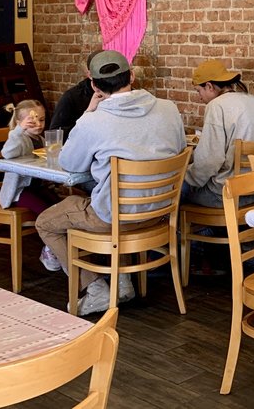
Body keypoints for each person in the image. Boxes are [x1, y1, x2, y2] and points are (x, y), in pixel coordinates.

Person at [35, 50, 186, 315]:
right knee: (112, 199)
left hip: (115, 218)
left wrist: (87, 114)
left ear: (94, 85)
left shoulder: (94, 121)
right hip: (160, 214)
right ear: (132, 76)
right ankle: (122, 283)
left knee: (46, 222)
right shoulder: (169, 109)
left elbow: (69, 163)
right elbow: (181, 148)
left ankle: (96, 289)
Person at [182, 60, 254, 207]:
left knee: (175, 189)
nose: (199, 97)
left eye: (198, 91)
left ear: (209, 86)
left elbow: (209, 162)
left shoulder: (216, 106)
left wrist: (184, 175)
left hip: (229, 193)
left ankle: (177, 222)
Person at [0, 99, 61, 271]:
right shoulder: (19, 139)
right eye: (32, 121)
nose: (38, 124)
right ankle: (50, 249)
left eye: (42, 120)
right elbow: (6, 153)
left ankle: (56, 246)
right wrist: (19, 130)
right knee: (47, 214)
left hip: (38, 188)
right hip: (19, 192)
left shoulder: (41, 139)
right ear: (20, 122)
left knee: (61, 208)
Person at [48, 49, 102, 139]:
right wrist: (88, 114)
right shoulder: (72, 97)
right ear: (90, 75)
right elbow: (54, 136)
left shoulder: (119, 91)